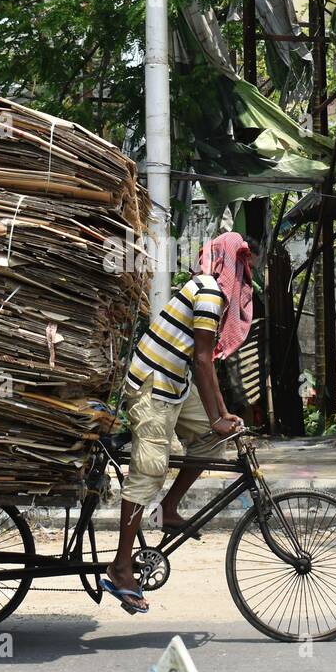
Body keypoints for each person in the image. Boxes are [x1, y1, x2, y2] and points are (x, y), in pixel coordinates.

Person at [103, 231, 257, 614]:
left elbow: (201, 364)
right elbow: (204, 361)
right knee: (151, 467)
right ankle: (121, 567)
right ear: (229, 261)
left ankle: (168, 509)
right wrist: (220, 414)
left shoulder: (213, 294)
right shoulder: (207, 290)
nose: (247, 275)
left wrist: (219, 418)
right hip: (152, 384)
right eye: (244, 265)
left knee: (210, 440)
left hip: (176, 382)